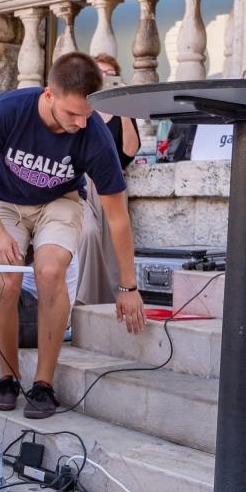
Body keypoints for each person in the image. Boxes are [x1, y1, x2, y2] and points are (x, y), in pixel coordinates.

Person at [0, 51, 146, 419]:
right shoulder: (8, 109)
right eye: (72, 114)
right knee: (6, 279)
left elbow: (118, 218)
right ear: (49, 94)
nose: (80, 123)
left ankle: (43, 383)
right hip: (4, 201)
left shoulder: (93, 134)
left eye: (87, 114)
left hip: (59, 200)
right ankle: (7, 376)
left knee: (49, 272)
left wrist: (129, 287)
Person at [71, 55, 141, 309]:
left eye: (111, 73)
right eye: (100, 72)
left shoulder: (122, 111)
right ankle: (80, 302)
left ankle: (105, 305)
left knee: (112, 248)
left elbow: (130, 151)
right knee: (87, 233)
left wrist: (123, 107)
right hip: (81, 180)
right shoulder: (81, 107)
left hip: (111, 180)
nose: (105, 77)